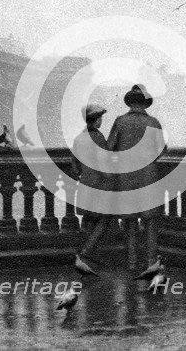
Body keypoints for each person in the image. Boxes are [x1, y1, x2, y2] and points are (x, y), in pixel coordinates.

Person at [107, 84, 166, 268]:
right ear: (145, 104)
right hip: (149, 178)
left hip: (126, 179)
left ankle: (132, 261)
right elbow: (162, 149)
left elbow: (109, 149)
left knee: (130, 221)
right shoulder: (154, 122)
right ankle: (150, 261)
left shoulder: (120, 121)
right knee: (150, 222)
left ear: (130, 103)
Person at [71, 104, 114, 259]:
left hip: (85, 186)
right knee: (105, 218)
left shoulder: (78, 138)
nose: (101, 121)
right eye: (100, 118)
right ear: (96, 121)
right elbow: (104, 165)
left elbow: (75, 167)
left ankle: (83, 252)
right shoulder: (98, 137)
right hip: (99, 186)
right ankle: (87, 251)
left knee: (88, 219)